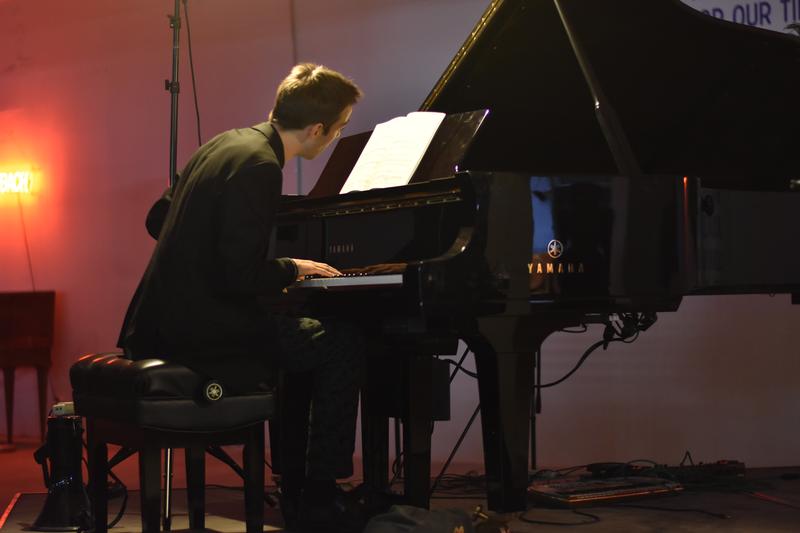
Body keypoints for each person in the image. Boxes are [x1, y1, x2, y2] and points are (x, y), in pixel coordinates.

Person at [118, 63, 366, 532]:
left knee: (302, 336)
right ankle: (318, 493)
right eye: (339, 129)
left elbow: (157, 220)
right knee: (341, 341)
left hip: (158, 322)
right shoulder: (261, 166)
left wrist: (197, 261)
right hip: (201, 336)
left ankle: (296, 482)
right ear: (317, 129)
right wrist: (294, 267)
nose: (334, 137)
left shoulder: (225, 143)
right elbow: (241, 276)